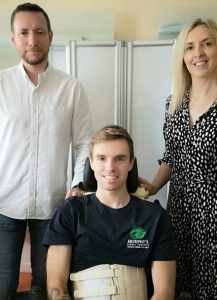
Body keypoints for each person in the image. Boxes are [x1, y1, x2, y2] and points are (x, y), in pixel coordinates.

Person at [0, 3, 93, 299]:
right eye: (24, 33)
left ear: (50, 36)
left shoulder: (71, 88)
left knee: (46, 289)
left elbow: (84, 143)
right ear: (13, 38)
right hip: (4, 204)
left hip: (53, 207)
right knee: (2, 288)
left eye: (39, 32)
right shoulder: (1, 85)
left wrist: (78, 184)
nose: (32, 40)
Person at [42, 124, 176, 300]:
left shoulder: (155, 217)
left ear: (131, 163)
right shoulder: (70, 212)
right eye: (102, 158)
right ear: (91, 162)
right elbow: (56, 287)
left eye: (119, 159)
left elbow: (164, 292)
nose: (110, 168)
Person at [140, 18, 217, 300]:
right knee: (177, 286)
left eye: (207, 44)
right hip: (179, 211)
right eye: (190, 47)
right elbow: (172, 155)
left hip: (213, 213)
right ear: (182, 56)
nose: (198, 53)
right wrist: (152, 187)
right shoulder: (174, 103)